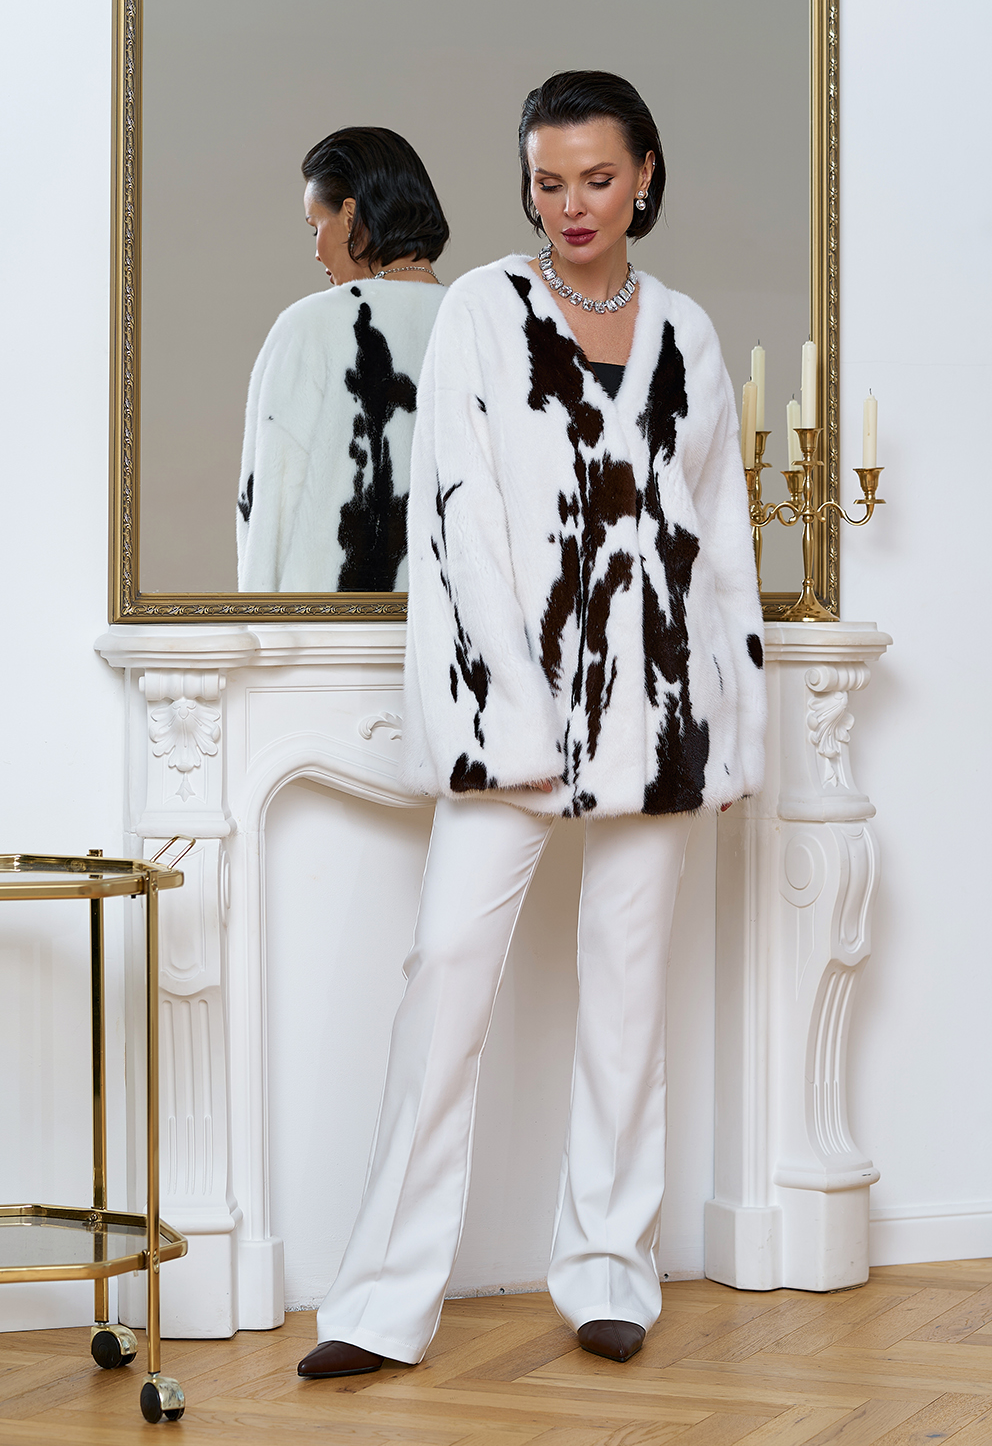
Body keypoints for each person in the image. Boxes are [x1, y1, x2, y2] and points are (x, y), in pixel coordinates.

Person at [298, 71, 766, 1380]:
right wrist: (516, 700)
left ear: (646, 176)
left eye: (598, 179)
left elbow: (718, 545)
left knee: (628, 992)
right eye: (549, 181)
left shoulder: (687, 333)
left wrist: (728, 725)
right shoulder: (482, 313)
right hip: (513, 711)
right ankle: (379, 1301)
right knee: (446, 973)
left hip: (660, 706)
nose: (572, 205)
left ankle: (611, 1269)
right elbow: (458, 513)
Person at [236, 127, 448, 592]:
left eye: (317, 226)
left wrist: (257, 625)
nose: (316, 251)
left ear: (350, 217)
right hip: (451, 629)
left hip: (330, 630)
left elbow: (269, 509)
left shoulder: (310, 328)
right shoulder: (480, 324)